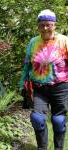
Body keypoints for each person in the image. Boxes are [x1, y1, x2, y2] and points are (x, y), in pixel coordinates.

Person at [19, 9, 68, 150]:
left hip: (61, 87)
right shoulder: (33, 42)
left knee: (58, 120)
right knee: (37, 119)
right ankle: (42, 147)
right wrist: (22, 81)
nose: (45, 28)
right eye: (42, 25)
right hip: (39, 88)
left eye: (48, 24)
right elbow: (27, 64)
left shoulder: (64, 41)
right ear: (38, 26)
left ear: (54, 25)